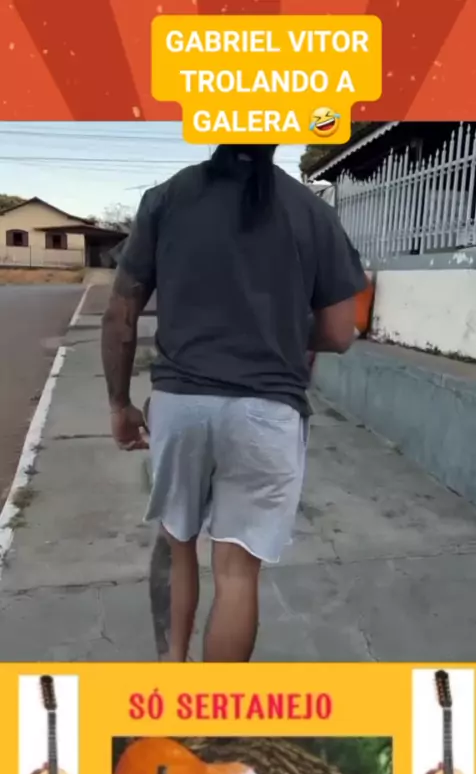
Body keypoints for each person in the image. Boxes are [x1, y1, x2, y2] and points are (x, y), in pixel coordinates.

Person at [101, 144, 366, 663]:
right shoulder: (312, 211)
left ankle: (173, 673)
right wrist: (280, 329)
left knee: (177, 546)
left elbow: (120, 315)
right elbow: (339, 332)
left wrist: (119, 404)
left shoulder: (169, 197)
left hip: (180, 404)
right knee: (237, 573)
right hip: (267, 413)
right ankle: (219, 703)